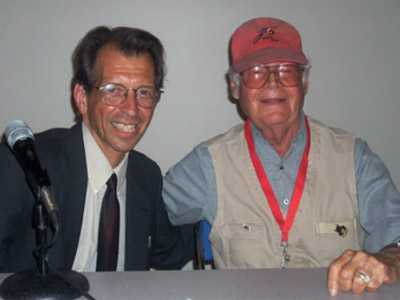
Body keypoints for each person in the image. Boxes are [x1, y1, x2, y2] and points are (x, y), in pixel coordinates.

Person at [163, 17, 400, 295]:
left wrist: (389, 258)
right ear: (235, 87)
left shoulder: (354, 157)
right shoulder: (207, 164)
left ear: (304, 81)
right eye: (256, 71)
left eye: (287, 70)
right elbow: (144, 212)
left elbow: (395, 234)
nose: (273, 82)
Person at [0, 26, 193, 273]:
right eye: (113, 90)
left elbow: (170, 254)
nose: (132, 109)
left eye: (144, 92)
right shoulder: (24, 165)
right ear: (82, 98)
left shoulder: (146, 175)